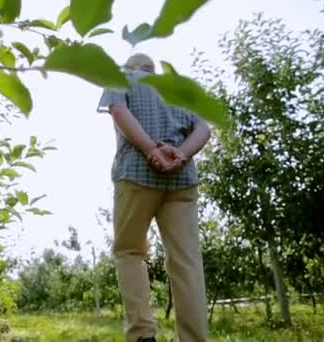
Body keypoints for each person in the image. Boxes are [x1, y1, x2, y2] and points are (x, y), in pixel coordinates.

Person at [97, 53, 211, 342]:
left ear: (130, 67)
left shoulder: (119, 78)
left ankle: (142, 335)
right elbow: (203, 129)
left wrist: (151, 150)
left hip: (137, 175)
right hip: (181, 180)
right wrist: (181, 154)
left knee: (130, 252)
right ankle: (194, 338)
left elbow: (119, 112)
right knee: (187, 263)